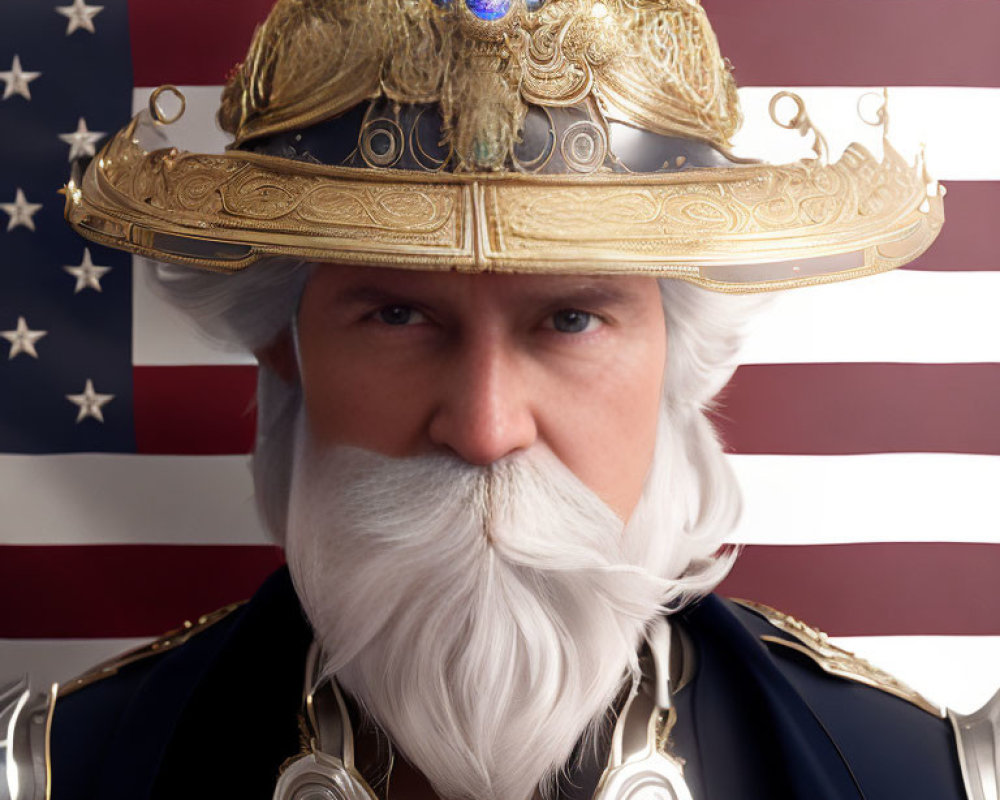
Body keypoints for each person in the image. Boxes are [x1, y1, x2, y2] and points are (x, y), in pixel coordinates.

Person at [2, 0, 995, 798]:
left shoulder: (916, 775)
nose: (482, 430)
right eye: (396, 312)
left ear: (678, 361)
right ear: (283, 345)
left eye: (569, 319)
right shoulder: (63, 769)